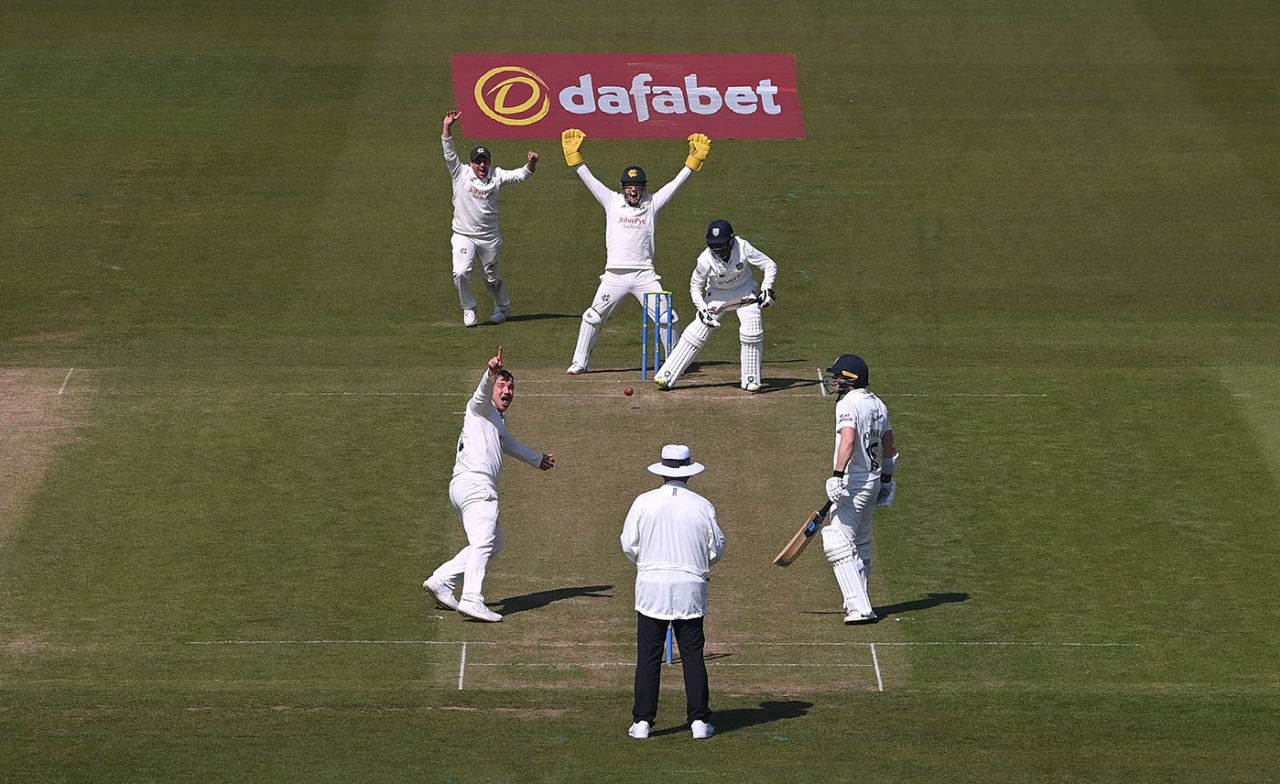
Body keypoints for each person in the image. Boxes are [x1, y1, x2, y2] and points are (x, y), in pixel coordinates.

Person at [559, 128, 712, 374]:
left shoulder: (653, 203)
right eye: (629, 186)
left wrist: (693, 162)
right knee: (592, 317)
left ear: (644, 188)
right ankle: (579, 362)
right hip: (614, 275)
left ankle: (675, 363)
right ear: (623, 188)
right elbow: (590, 181)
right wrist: (575, 158)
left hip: (645, 276)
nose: (633, 191)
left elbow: (675, 185)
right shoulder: (611, 201)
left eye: (638, 187)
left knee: (668, 318)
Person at [424, 347, 555, 622]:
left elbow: (510, 444)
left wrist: (537, 459)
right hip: (477, 486)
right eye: (502, 385)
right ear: (493, 388)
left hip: (464, 486)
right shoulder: (480, 407)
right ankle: (472, 598)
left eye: (511, 387)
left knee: (493, 541)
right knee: (483, 541)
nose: (507, 391)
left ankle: (442, 579)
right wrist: (490, 374)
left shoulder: (496, 422)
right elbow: (481, 393)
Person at [620, 444, 726, 740]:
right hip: (689, 587)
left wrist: (648, 563)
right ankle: (699, 721)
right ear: (689, 473)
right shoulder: (702, 505)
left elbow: (629, 544)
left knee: (648, 656)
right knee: (692, 655)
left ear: (663, 472)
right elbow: (716, 549)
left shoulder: (644, 502)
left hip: (652, 588)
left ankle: (642, 721)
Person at [654, 219, 778, 392]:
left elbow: (769, 265)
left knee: (752, 329)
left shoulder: (743, 247)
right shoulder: (704, 259)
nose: (717, 250)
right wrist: (702, 309)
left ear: (731, 241)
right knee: (698, 331)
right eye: (714, 246)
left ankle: (751, 379)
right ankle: (666, 375)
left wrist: (766, 289)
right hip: (717, 295)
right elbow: (695, 287)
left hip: (744, 291)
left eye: (721, 245)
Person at [441, 110, 539, 327]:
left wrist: (531, 163)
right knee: (460, 272)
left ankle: (503, 307)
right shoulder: (460, 173)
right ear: (471, 163)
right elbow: (449, 152)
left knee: (491, 278)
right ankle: (469, 309)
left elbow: (521, 175)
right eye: (478, 162)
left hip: (488, 237)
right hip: (463, 234)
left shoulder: (497, 176)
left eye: (485, 162)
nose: (482, 166)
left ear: (489, 162)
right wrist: (447, 127)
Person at [821, 354, 899, 624]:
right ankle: (860, 599)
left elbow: (849, 440)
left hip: (854, 482)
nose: (834, 380)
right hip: (873, 480)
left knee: (836, 540)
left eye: (838, 376)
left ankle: (860, 608)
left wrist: (837, 475)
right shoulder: (878, 404)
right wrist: (887, 481)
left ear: (850, 379)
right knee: (861, 542)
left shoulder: (848, 404)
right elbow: (889, 447)